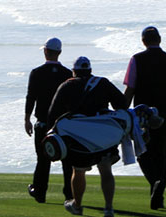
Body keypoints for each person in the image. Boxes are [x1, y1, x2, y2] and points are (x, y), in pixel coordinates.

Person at [122, 26, 166, 210]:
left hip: (142, 114)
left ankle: (155, 182)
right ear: (159, 39)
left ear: (143, 41)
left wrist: (121, 112)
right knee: (162, 153)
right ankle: (158, 193)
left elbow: (130, 89)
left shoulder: (137, 60)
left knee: (143, 152)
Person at [47, 56, 128, 217]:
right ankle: (108, 208)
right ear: (90, 70)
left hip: (79, 138)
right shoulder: (103, 83)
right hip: (103, 136)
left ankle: (77, 205)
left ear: (74, 71)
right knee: (106, 170)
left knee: (78, 171)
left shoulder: (66, 86)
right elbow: (122, 104)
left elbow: (52, 114)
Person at [23, 37, 74, 204]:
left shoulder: (37, 73)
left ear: (46, 51)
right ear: (59, 52)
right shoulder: (68, 74)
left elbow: (31, 97)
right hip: (63, 124)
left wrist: (27, 118)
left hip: (43, 122)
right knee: (67, 160)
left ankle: (40, 191)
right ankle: (69, 193)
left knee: (43, 158)